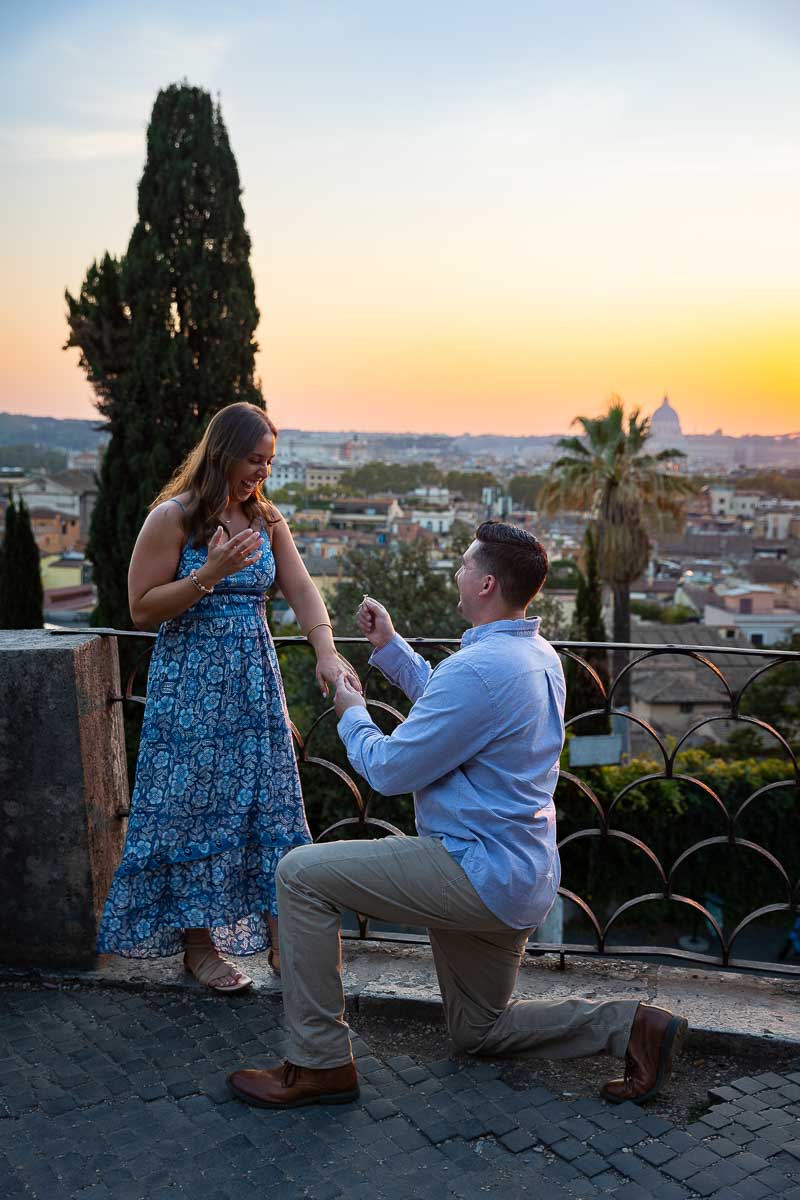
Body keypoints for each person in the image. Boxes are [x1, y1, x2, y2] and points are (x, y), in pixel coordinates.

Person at [228, 520, 688, 1106]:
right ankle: (631, 1026)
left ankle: (318, 1064)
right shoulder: (536, 655)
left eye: (465, 565)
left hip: (474, 868)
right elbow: (463, 711)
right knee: (479, 1030)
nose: (456, 573)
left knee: (299, 875)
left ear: (488, 583)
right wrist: (391, 652)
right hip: (522, 874)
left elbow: (391, 770)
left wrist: (351, 711)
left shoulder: (483, 668)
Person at [98, 402, 356, 992]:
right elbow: (140, 609)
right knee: (192, 812)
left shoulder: (267, 519)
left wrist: (325, 651)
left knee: (271, 805)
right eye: (253, 460)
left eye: (269, 462)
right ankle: (198, 946)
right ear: (221, 453)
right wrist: (208, 572)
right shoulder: (174, 518)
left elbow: (302, 589)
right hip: (190, 689)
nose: (261, 473)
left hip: (253, 685)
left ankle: (281, 940)